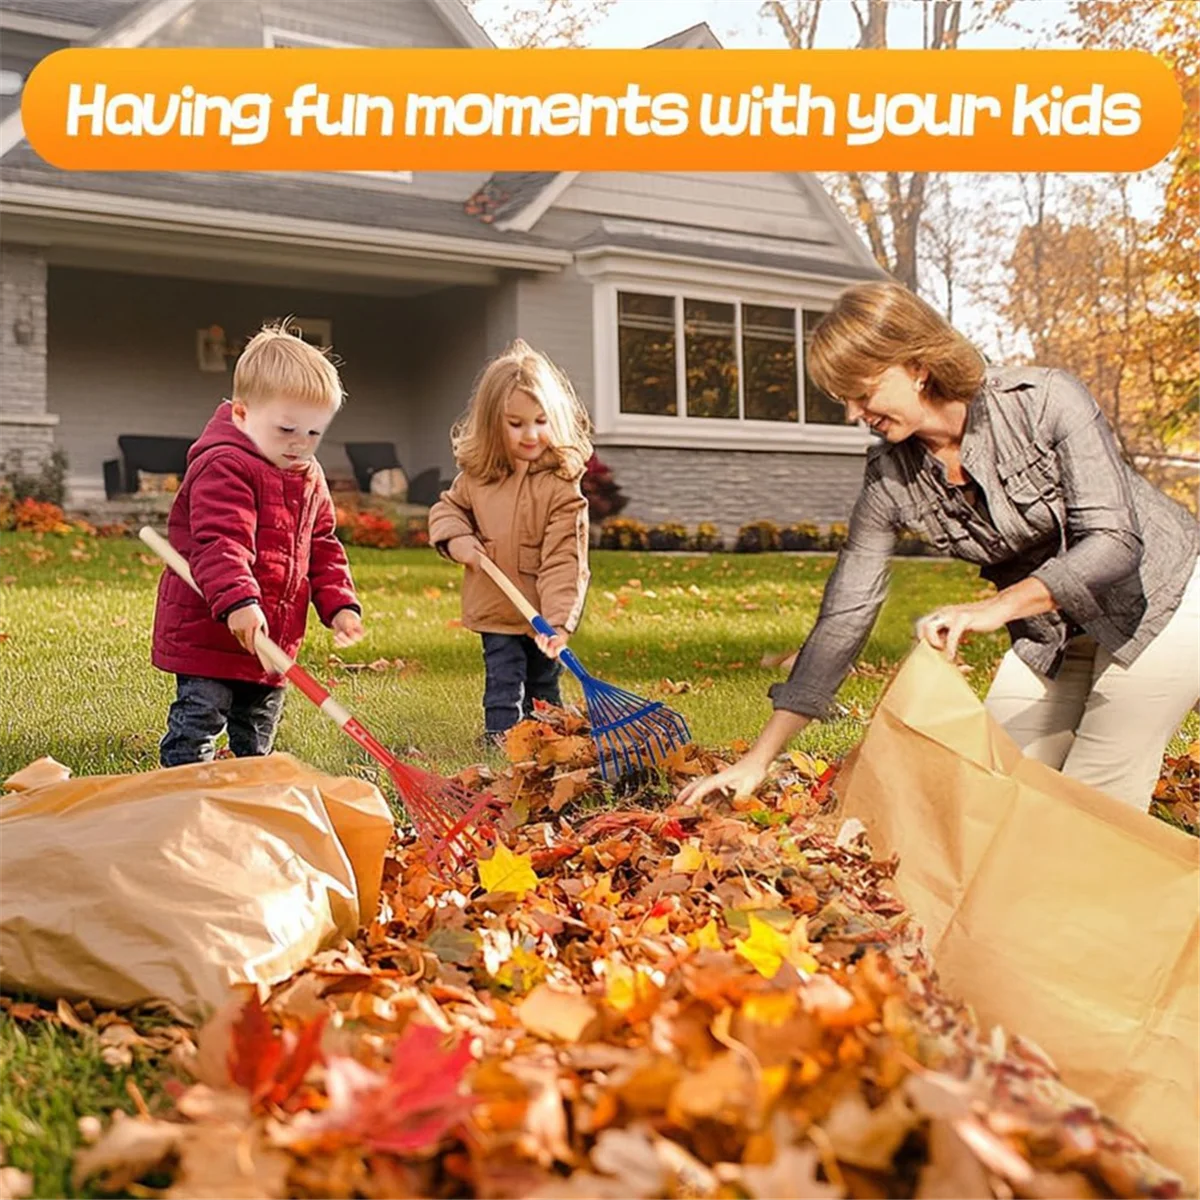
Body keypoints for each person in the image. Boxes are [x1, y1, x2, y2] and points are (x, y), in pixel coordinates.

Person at [681, 281, 1200, 811]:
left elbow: (1113, 543)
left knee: (1091, 802)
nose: (856, 414)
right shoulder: (890, 477)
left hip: (1163, 602)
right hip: (1055, 630)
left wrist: (996, 608)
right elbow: (845, 615)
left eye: (864, 393)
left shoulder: (1045, 402)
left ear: (916, 366)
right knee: (984, 785)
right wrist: (759, 758)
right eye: (845, 401)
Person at [153, 323, 365, 766]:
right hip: (211, 630)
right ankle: (183, 792)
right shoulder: (225, 466)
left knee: (256, 733)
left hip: (272, 638)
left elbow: (322, 544)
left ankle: (248, 801)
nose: (300, 443)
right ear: (244, 416)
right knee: (200, 720)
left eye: (313, 432)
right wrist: (239, 601)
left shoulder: (307, 475)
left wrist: (340, 604)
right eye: (287, 428)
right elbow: (219, 541)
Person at [429, 339, 592, 739]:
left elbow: (564, 561)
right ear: (491, 423)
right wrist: (457, 541)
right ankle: (500, 746)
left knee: (543, 689)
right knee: (503, 684)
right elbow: (447, 510)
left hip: (541, 615)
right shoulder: (479, 477)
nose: (530, 434)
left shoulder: (561, 488)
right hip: (495, 609)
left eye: (541, 421)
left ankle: (547, 747)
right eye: (516, 424)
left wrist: (557, 622)